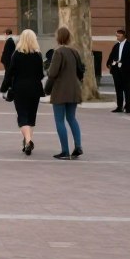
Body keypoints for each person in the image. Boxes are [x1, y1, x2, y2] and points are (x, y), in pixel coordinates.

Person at [0, 28, 44, 156]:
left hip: (19, 88)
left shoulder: (17, 55)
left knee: (22, 116)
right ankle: (27, 142)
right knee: (31, 116)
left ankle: (28, 141)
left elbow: (9, 73)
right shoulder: (38, 55)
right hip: (35, 89)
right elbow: (41, 74)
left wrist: (4, 88)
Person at [46, 26, 83, 159]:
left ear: (58, 37)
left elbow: (53, 73)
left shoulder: (58, 52)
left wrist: (47, 89)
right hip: (74, 89)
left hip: (60, 91)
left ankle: (65, 151)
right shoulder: (75, 52)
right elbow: (81, 71)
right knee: (72, 118)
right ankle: (78, 146)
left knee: (59, 120)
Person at [107, 27, 130, 113]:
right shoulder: (116, 46)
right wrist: (109, 64)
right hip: (116, 70)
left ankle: (128, 106)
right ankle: (119, 106)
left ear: (123, 36)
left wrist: (124, 64)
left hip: (125, 70)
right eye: (116, 36)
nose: (117, 37)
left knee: (126, 88)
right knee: (118, 88)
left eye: (118, 36)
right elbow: (111, 56)